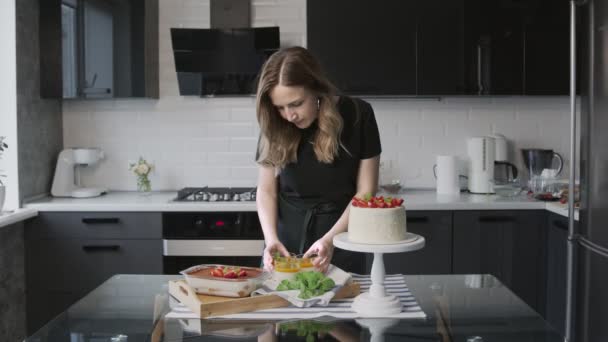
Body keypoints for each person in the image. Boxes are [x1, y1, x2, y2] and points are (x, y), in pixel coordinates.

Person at [255, 46, 382, 274]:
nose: (289, 116)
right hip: (285, 247)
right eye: (280, 108)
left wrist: (330, 240)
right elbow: (266, 190)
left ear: (317, 88)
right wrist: (271, 239)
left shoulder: (359, 114)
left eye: (296, 104)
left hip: (342, 239)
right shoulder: (276, 123)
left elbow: (366, 192)